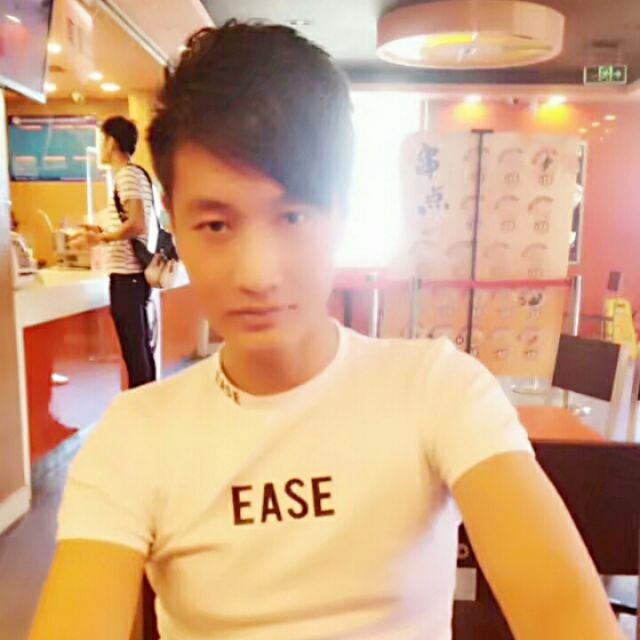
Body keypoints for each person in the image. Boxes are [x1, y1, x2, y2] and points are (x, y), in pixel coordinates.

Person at [30, 22, 622, 640]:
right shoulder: (136, 436)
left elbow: (563, 614)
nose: (257, 273)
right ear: (174, 222)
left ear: (341, 210)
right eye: (216, 225)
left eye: (292, 216)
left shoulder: (436, 389)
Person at [78, 116, 157, 389]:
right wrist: (102, 231)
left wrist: (102, 238)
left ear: (111, 142)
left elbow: (136, 224)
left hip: (128, 276)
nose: (101, 146)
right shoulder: (135, 175)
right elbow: (131, 224)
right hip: (133, 276)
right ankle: (148, 403)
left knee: (135, 352)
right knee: (140, 349)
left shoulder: (127, 176)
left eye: (102, 140)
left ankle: (143, 407)